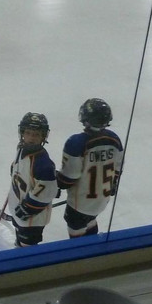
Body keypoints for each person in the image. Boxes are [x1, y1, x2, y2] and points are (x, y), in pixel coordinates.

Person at [56, 99, 123, 239]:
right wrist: (113, 183)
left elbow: (70, 177)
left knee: (77, 237)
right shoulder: (115, 139)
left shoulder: (76, 143)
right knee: (91, 220)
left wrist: (56, 180)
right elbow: (118, 168)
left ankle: (82, 259)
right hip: (100, 201)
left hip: (79, 205)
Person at [7, 112, 57, 247]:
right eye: (28, 133)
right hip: (18, 209)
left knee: (28, 250)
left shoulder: (42, 163)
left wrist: (27, 209)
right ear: (22, 133)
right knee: (20, 241)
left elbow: (47, 192)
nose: (31, 138)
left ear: (43, 136)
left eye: (36, 134)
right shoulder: (21, 149)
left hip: (32, 219)